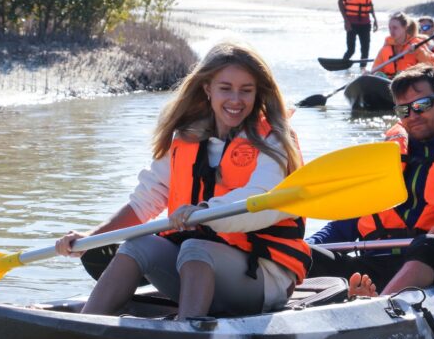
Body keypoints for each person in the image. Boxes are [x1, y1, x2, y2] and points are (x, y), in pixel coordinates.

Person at [55, 41, 312, 319]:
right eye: (225, 88)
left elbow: (262, 199)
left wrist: (203, 213)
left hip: (261, 276)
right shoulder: (186, 140)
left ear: (257, 93)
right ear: (207, 89)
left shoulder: (272, 141)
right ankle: (89, 323)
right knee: (137, 244)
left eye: (246, 90)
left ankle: (188, 330)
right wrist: (92, 239)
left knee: (195, 247)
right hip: (198, 269)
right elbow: (144, 202)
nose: (236, 99)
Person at [306, 64, 434, 297]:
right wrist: (305, 246)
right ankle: (361, 297)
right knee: (301, 253)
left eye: (421, 106)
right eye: (404, 110)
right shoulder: (381, 164)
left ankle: (379, 304)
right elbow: (341, 228)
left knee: (428, 244)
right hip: (372, 268)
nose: (413, 116)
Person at [371, 12, 434, 78]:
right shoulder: (386, 46)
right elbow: (375, 69)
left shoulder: (416, 44)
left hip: (409, 83)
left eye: (395, 28)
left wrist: (418, 51)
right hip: (388, 83)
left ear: (405, 28)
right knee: (377, 75)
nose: (391, 31)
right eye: (390, 28)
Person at [339, 0, 379, 69]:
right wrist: (346, 21)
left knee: (365, 50)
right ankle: (344, 68)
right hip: (352, 22)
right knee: (351, 50)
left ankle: (362, 72)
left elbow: (369, 2)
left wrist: (375, 19)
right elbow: (340, 2)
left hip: (365, 22)